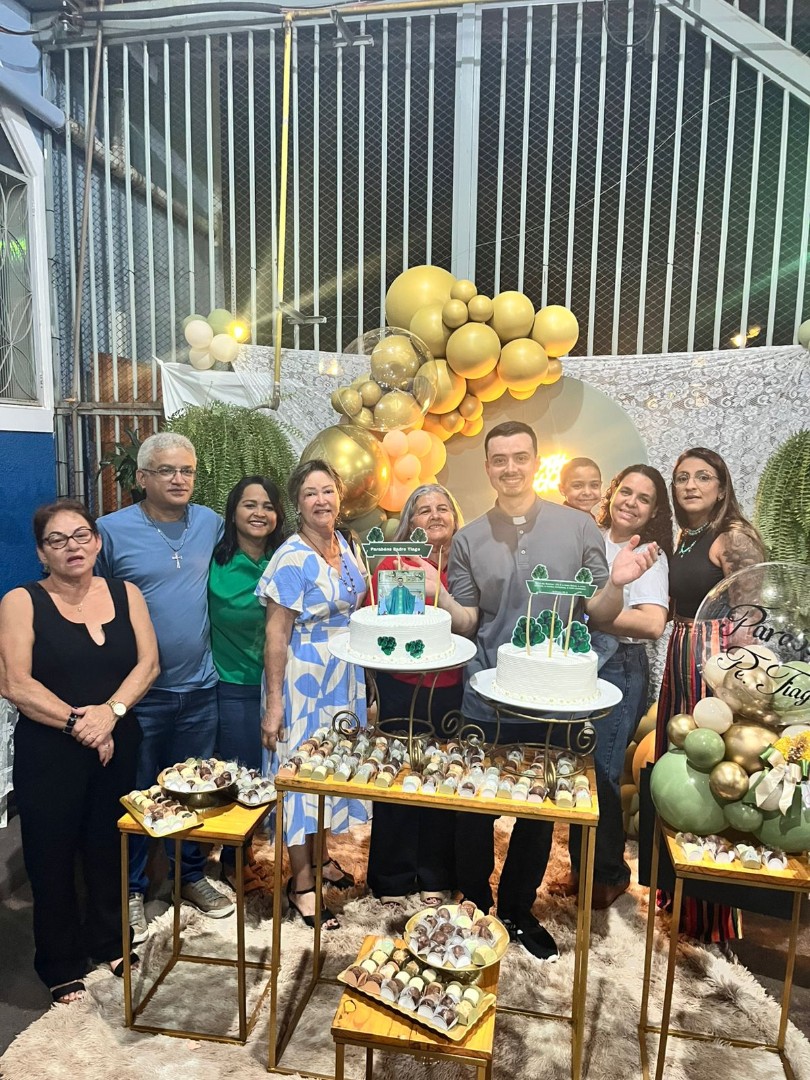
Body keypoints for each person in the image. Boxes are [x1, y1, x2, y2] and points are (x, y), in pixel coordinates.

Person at [448, 421, 658, 960]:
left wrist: (617, 581)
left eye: (520, 457)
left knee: (538, 810)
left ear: (535, 462)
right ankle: (474, 905)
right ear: (488, 467)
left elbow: (599, 612)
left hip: (554, 701)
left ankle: (518, 909)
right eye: (499, 459)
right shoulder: (468, 538)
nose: (510, 468)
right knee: (473, 808)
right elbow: (468, 621)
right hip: (486, 695)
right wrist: (437, 595)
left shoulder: (578, 527)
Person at [0, 500, 159, 1004]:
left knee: (107, 844)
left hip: (117, 741)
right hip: (50, 749)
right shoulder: (21, 601)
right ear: (41, 552)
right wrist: (80, 723)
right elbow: (14, 683)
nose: (72, 546)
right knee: (51, 854)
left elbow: (149, 665)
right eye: (57, 539)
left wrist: (110, 714)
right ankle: (60, 960)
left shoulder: (126, 593)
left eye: (81, 535)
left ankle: (110, 940)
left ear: (97, 541)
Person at [97, 432, 231, 943]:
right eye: (167, 470)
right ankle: (131, 889)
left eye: (187, 471)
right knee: (138, 796)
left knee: (193, 790)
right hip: (140, 696)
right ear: (142, 477)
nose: (179, 479)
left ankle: (189, 876)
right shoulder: (111, 531)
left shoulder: (211, 523)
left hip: (200, 689)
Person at [653, 447, 765, 942]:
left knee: (709, 770)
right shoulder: (686, 536)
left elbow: (752, 616)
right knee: (678, 768)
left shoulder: (733, 537)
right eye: (682, 478)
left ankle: (710, 916)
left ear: (721, 488)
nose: (691, 486)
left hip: (716, 662)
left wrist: (732, 681)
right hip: (682, 653)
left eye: (703, 477)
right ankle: (677, 893)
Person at [258, 459, 369, 929]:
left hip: (344, 679)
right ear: (297, 504)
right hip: (302, 681)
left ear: (339, 496)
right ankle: (301, 883)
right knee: (301, 777)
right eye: (310, 493)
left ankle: (321, 858)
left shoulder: (346, 543)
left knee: (330, 770)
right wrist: (275, 703)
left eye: (327, 491)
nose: (321, 500)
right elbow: (275, 635)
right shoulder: (290, 557)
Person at [565, 465, 672, 908]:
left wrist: (596, 614)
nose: (631, 502)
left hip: (620, 667)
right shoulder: (588, 534)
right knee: (579, 768)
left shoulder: (649, 555)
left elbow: (653, 623)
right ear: (612, 493)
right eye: (626, 491)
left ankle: (609, 874)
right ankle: (582, 868)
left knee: (602, 773)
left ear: (654, 511)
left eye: (643, 498)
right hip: (581, 661)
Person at [366, 483, 465, 908]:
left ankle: (436, 874)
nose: (435, 515)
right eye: (424, 510)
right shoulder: (395, 561)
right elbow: (385, 627)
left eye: (443, 507)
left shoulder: (464, 563)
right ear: (409, 523)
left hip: (451, 688)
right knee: (397, 775)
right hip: (401, 685)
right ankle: (392, 873)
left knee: (442, 780)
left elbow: (471, 620)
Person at [209, 475, 285, 890]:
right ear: (233, 512)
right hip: (234, 684)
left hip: (283, 685)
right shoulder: (213, 559)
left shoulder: (286, 559)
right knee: (242, 775)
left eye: (268, 506)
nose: (259, 513)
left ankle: (284, 850)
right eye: (249, 505)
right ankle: (235, 860)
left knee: (281, 773)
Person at [558, 457, 617, 671]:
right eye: (577, 486)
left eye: (594, 485)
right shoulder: (561, 522)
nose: (587, 492)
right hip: (569, 611)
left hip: (590, 608)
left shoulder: (594, 522)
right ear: (562, 489)